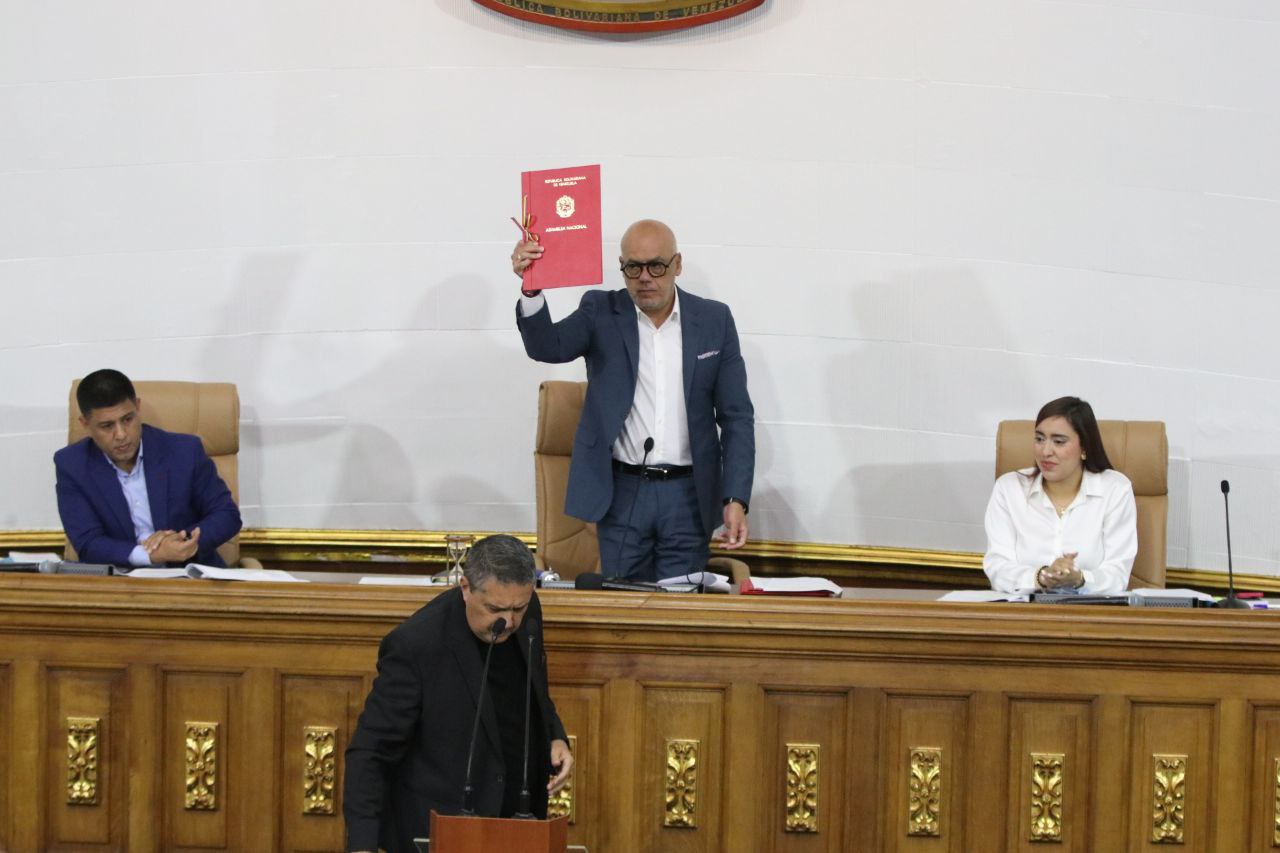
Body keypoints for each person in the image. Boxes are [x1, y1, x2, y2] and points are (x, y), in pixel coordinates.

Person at [513, 219, 755, 582]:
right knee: (623, 604)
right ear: (622, 267)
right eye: (633, 268)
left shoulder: (714, 320)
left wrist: (735, 498)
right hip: (624, 492)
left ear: (677, 264)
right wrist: (532, 288)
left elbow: (736, 417)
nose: (644, 278)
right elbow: (547, 346)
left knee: (680, 604)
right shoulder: (600, 312)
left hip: (689, 495)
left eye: (656, 266)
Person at [343, 534, 573, 853]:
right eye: (495, 608)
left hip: (518, 825)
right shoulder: (416, 644)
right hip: (440, 830)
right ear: (466, 588)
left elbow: (534, 689)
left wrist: (554, 735)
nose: (509, 621)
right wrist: (362, 846)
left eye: (518, 608)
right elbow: (371, 751)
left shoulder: (528, 610)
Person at [54, 369, 242, 568]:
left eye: (127, 419)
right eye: (107, 426)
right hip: (121, 580)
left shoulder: (184, 451)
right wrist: (150, 555)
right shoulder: (72, 465)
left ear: (138, 407)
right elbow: (88, 543)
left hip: (189, 575)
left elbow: (226, 515)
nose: (121, 435)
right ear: (85, 424)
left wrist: (181, 542)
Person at [983, 396, 1138, 594]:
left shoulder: (1115, 489)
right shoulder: (1009, 488)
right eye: (1039, 439)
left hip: (1091, 609)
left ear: (1084, 447)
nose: (1045, 451)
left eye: (1058, 441)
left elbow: (1117, 574)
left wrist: (1080, 579)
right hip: (1024, 609)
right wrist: (1042, 577)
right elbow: (998, 567)